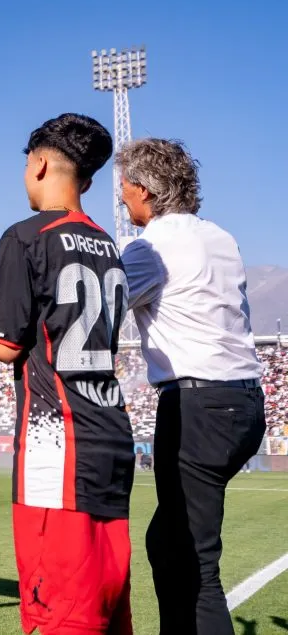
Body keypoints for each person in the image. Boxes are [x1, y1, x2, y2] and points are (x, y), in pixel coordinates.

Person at [0, 114, 135, 635]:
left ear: (41, 163)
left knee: (62, 612)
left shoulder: (26, 236)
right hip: (111, 437)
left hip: (57, 443)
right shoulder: (106, 243)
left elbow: (7, 346)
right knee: (106, 604)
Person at [116, 138, 266, 635]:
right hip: (242, 401)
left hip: (198, 406)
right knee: (167, 542)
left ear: (142, 189)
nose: (120, 197)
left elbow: (96, 311)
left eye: (123, 187)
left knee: (196, 564)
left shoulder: (151, 247)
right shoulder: (220, 236)